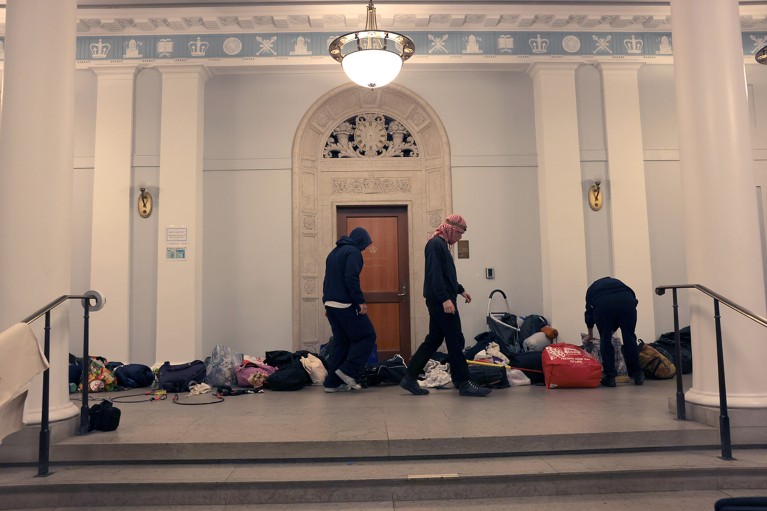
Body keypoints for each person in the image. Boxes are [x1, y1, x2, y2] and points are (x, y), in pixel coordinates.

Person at [399, 214, 490, 397]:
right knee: (455, 339)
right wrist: (445, 299)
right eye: (460, 233)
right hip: (440, 301)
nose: (460, 238)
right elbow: (434, 275)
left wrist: (459, 289)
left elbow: (446, 275)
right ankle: (464, 383)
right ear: (453, 229)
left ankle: (409, 377)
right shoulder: (435, 245)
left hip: (442, 298)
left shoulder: (442, 245)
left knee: (434, 339)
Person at [322, 227, 377, 393]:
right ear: (361, 241)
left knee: (342, 342)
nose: (365, 249)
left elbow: (327, 279)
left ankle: (332, 383)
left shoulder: (334, 252)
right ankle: (348, 371)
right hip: (345, 304)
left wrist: (326, 302)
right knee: (367, 335)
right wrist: (360, 301)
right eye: (365, 245)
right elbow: (351, 277)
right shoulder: (353, 252)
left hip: (331, 304)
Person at [583, 276, 644, 387]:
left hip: (604, 306)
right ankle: (638, 374)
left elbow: (589, 315)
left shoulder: (591, 290)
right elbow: (633, 298)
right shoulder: (619, 284)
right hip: (627, 302)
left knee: (605, 339)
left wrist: (590, 335)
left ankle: (610, 377)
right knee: (629, 337)